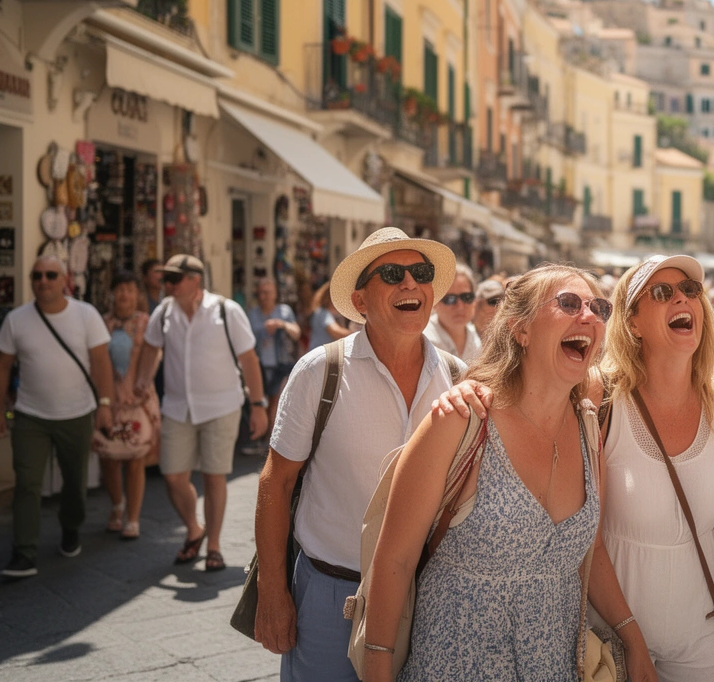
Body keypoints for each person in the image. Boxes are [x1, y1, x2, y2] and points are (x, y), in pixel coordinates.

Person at [364, 265, 611, 681]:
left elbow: (595, 551)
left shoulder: (588, 427)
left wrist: (631, 635)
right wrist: (376, 667)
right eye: (568, 303)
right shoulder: (461, 419)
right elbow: (395, 560)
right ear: (521, 329)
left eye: (599, 308)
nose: (588, 316)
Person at [254, 228, 462, 681]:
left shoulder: (457, 376)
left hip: (430, 596)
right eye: (391, 273)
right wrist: (273, 591)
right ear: (362, 301)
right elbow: (277, 480)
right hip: (333, 595)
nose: (410, 283)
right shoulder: (320, 371)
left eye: (420, 273)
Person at [596, 255, 714, 681]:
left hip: (702, 634)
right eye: (661, 292)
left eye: (690, 290)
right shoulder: (601, 399)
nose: (682, 298)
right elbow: (585, 534)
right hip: (612, 637)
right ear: (632, 323)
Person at [135, 254, 267, 572]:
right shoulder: (164, 312)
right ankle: (195, 529)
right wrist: (140, 380)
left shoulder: (225, 310)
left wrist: (258, 405)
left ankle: (215, 547)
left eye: (173, 279)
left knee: (213, 474)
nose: (166, 284)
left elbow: (248, 359)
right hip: (178, 406)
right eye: (164, 279)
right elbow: (151, 347)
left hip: (221, 405)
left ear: (195, 280)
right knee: (172, 475)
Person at [0, 256, 115, 578]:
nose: (43, 280)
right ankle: (23, 552)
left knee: (74, 483)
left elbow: (100, 362)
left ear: (65, 280)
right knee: (27, 484)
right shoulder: (16, 319)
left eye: (50, 275)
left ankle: (71, 528)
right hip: (30, 416)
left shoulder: (86, 315)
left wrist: (104, 405)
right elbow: (1, 367)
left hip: (77, 413)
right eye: (37, 275)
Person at [98, 271, 161, 541]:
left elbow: (155, 354)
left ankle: (133, 518)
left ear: (137, 295)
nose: (124, 294)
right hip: (108, 402)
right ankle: (117, 505)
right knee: (109, 457)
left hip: (138, 401)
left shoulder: (147, 324)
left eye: (129, 289)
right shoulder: (102, 324)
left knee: (135, 460)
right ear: (111, 293)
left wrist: (143, 383)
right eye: (119, 289)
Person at [245, 277, 300, 455]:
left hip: (281, 363)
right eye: (260, 293)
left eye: (267, 292)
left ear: (275, 293)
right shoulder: (252, 314)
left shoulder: (284, 312)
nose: (263, 296)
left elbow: (296, 333)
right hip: (259, 364)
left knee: (275, 402)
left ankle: (270, 443)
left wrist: (281, 325)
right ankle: (262, 440)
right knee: (261, 402)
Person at [423, 263, 482, 363]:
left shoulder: (477, 339)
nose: (460, 306)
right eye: (450, 299)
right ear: (434, 302)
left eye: (466, 297)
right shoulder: (423, 342)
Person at [305, 281, 352, 351]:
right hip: (320, 356)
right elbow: (336, 332)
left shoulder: (325, 312)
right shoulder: (323, 313)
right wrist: (358, 334)